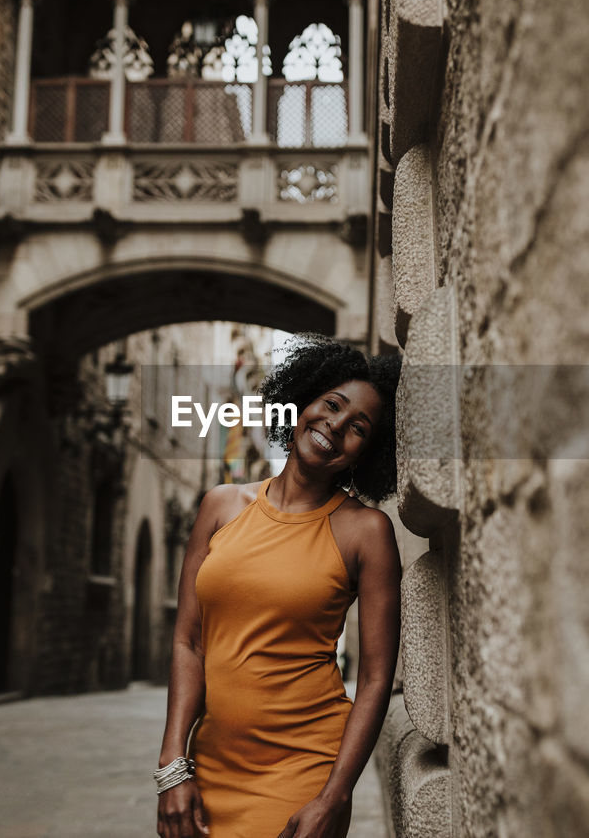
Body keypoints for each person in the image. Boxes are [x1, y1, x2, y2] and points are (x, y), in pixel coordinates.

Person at [156, 333, 403, 838]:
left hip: (304, 771)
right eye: (331, 405)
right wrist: (172, 768)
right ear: (301, 402)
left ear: (367, 452)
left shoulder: (366, 532)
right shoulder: (220, 506)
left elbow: (376, 678)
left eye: (358, 426)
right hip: (209, 766)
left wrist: (335, 796)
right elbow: (188, 642)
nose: (335, 426)